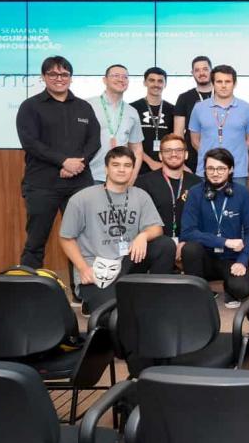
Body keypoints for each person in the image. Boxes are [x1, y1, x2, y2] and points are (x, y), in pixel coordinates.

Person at [58, 146, 176, 312]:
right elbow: (66, 238)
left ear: (133, 169)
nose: (122, 169)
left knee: (165, 244)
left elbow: (157, 228)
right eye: (116, 165)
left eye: (127, 165)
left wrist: (142, 236)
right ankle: (94, 299)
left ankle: (154, 294)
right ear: (106, 168)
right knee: (112, 312)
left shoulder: (140, 195)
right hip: (97, 268)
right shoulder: (82, 198)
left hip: (128, 261)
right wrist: (83, 269)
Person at [17, 55, 101, 268]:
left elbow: (94, 140)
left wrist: (77, 164)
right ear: (44, 77)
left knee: (83, 240)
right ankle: (29, 293)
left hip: (79, 184)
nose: (59, 78)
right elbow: (30, 142)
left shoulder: (84, 107)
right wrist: (63, 162)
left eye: (64, 74)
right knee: (36, 240)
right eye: (53, 74)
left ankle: (82, 293)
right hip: (42, 185)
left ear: (71, 78)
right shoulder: (30, 106)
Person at [180, 148, 249, 308]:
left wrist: (242, 261)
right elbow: (188, 232)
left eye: (221, 168)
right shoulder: (195, 193)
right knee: (190, 249)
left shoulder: (242, 193)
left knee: (241, 289)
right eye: (210, 168)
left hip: (231, 259)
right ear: (205, 170)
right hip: (204, 258)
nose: (215, 173)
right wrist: (223, 241)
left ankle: (230, 287)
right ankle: (200, 290)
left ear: (231, 169)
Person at [134, 133, 202, 263]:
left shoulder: (197, 183)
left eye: (178, 150)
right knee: (165, 246)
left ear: (186, 154)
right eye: (168, 151)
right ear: (160, 155)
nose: (173, 154)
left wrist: (185, 242)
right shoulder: (144, 182)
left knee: (194, 250)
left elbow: (202, 220)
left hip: (188, 244)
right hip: (157, 244)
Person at [188, 64, 249, 189]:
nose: (224, 85)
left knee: (235, 207)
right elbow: (194, 141)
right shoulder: (199, 108)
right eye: (219, 81)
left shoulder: (247, 109)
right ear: (213, 83)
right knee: (205, 207)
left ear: (234, 83)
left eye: (228, 81)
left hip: (237, 172)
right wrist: (213, 159)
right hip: (207, 171)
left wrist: (235, 152)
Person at [88, 64, 144, 183]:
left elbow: (137, 149)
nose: (121, 79)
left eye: (125, 77)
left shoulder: (132, 112)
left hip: (121, 178)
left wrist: (132, 178)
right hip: (90, 175)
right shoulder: (88, 106)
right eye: (116, 75)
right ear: (105, 80)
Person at [131, 67, 175, 176]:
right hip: (138, 166)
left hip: (165, 166)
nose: (156, 84)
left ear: (165, 84)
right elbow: (130, 141)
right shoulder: (132, 108)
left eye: (160, 81)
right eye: (152, 80)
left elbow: (175, 139)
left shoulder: (173, 110)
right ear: (145, 82)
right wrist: (151, 162)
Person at [173, 56, 213, 173]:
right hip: (192, 159)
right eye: (197, 70)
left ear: (211, 70)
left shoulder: (221, 95)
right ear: (192, 73)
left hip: (220, 156)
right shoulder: (184, 98)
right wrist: (180, 163)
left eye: (205, 69)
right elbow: (178, 134)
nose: (201, 73)